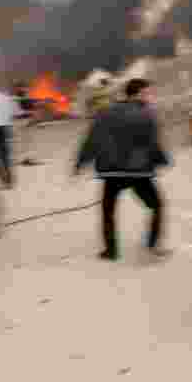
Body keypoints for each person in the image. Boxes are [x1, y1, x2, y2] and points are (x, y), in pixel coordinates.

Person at [73, 78, 171, 261]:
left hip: (112, 172)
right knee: (157, 206)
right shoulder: (147, 114)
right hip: (138, 172)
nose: (150, 97)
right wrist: (162, 161)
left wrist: (80, 164)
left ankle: (110, 251)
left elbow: (92, 139)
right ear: (139, 93)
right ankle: (151, 246)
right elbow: (153, 143)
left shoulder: (105, 112)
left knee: (108, 211)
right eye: (148, 93)